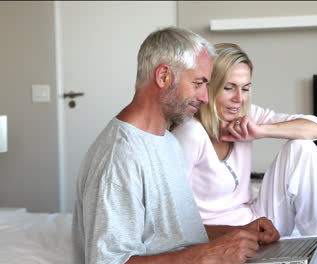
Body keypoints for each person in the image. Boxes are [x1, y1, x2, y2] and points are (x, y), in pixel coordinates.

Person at [72, 27, 280, 264]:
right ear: (163, 77)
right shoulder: (118, 158)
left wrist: (238, 233)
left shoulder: (167, 141)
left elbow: (171, 236)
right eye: (198, 83)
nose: (204, 97)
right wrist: (208, 256)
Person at [171, 43, 317, 263]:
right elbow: (170, 222)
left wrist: (261, 131)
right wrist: (237, 233)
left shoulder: (245, 115)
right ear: (210, 87)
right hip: (225, 241)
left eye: (245, 88)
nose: (239, 98)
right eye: (229, 87)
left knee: (302, 147)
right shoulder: (190, 134)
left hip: (260, 223)